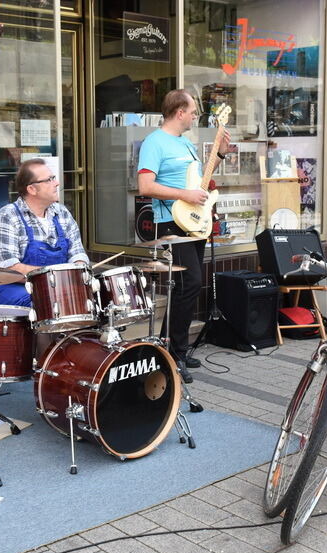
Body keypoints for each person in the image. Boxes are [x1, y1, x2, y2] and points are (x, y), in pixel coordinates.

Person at [136, 89, 229, 383]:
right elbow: (145, 186)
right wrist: (184, 194)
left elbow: (199, 181)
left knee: (189, 286)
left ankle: (177, 347)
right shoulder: (154, 142)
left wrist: (221, 154)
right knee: (188, 284)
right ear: (179, 113)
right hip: (171, 223)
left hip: (193, 221)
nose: (193, 116)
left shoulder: (185, 143)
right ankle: (172, 353)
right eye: (191, 112)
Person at [0, 159, 88, 306]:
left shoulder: (62, 212)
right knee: (47, 303)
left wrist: (79, 268)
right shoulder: (8, 216)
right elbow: (11, 270)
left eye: (54, 178)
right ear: (32, 189)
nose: (56, 183)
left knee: (91, 300)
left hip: (54, 286)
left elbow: (77, 252)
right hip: (9, 286)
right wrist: (58, 277)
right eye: (49, 180)